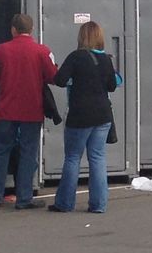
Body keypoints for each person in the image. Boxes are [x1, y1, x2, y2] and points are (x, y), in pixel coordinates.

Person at [0, 12, 60, 210]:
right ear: (32, 29)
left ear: (13, 29)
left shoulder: (1, 50)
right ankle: (24, 198)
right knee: (28, 153)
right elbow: (54, 77)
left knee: (1, 151)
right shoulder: (42, 51)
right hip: (32, 110)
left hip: (6, 109)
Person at [50, 20, 120, 214]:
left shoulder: (75, 57)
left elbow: (59, 80)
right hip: (103, 115)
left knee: (73, 158)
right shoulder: (106, 59)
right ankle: (99, 205)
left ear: (81, 37)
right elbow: (112, 86)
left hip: (80, 114)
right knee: (97, 158)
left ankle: (65, 203)